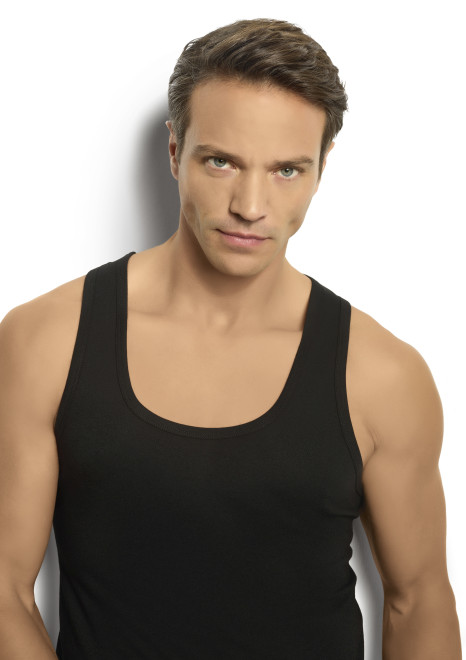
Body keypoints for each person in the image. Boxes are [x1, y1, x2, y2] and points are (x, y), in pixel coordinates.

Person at [0, 17, 461, 660]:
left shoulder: (382, 375)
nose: (250, 204)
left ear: (321, 169)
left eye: (287, 170)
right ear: (174, 152)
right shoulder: (45, 342)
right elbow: (4, 592)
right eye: (221, 161)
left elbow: (419, 601)